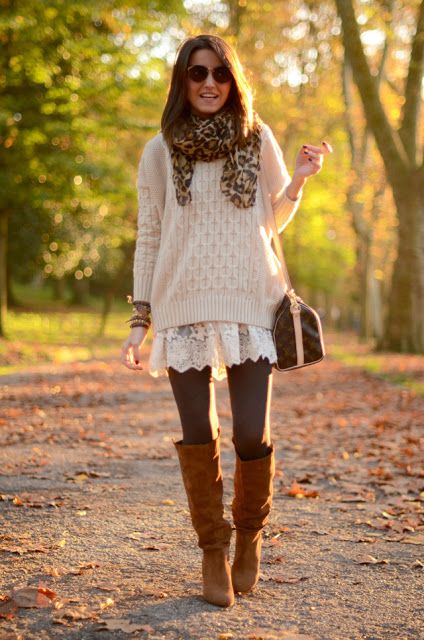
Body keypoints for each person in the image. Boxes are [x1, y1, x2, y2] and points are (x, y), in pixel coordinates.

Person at [120, 34, 332, 608]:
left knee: (250, 434)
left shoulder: (258, 138)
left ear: (233, 80)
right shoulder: (158, 151)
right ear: (182, 81)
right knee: (197, 435)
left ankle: (249, 537)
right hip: (182, 307)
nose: (210, 83)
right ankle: (212, 551)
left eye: (220, 74)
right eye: (197, 73)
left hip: (251, 305)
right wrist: (140, 320)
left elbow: (272, 218)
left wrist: (301, 180)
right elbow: (150, 236)